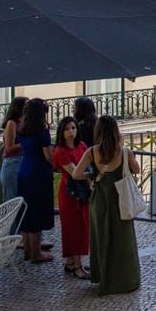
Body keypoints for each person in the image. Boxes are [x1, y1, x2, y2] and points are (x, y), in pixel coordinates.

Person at [74, 115, 141, 294]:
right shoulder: (124, 151)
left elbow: (76, 174)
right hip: (121, 201)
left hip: (100, 202)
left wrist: (92, 177)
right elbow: (137, 170)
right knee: (123, 241)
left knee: (102, 238)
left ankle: (104, 277)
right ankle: (125, 280)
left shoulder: (91, 152)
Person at [15, 97, 55, 263]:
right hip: (39, 173)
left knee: (26, 211)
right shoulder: (42, 131)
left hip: (24, 170)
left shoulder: (22, 130)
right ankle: (36, 253)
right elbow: (48, 156)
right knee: (37, 211)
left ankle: (27, 250)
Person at [52, 115, 92, 278]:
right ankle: (77, 266)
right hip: (70, 193)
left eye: (73, 128)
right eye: (67, 129)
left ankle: (71, 262)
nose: (71, 132)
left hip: (82, 191)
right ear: (62, 132)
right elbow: (75, 173)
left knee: (80, 225)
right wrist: (93, 175)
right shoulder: (60, 151)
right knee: (73, 227)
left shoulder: (82, 146)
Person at [0, 95, 28, 203]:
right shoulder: (11, 123)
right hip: (13, 163)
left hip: (23, 162)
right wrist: (26, 144)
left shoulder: (24, 123)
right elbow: (9, 147)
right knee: (12, 200)